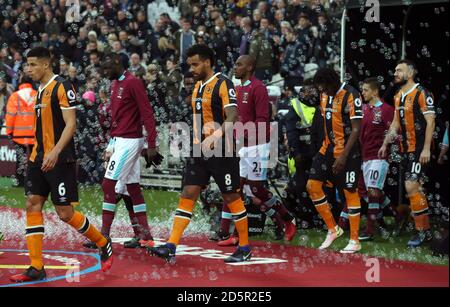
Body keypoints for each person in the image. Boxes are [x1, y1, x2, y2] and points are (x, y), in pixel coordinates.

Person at [9, 47, 113, 283]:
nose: (29, 69)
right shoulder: (40, 90)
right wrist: (37, 154)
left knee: (65, 213)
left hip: (60, 159)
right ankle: (36, 266)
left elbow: (70, 124)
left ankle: (102, 242)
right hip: (39, 157)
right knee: (32, 204)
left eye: (33, 64)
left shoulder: (62, 86)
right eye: (28, 64)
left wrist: (55, 151)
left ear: (46, 65)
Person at [148, 44, 252, 263]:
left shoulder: (223, 83)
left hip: (222, 149)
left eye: (195, 64)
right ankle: (171, 245)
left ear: (207, 62)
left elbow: (232, 116)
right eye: (190, 65)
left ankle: (244, 247)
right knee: (188, 193)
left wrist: (215, 137)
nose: (192, 69)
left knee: (231, 196)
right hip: (199, 151)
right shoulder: (197, 87)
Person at [96, 53, 162, 249]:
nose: (105, 72)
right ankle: (144, 236)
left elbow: (147, 112)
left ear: (117, 63)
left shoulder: (133, 83)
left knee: (108, 186)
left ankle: (102, 237)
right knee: (131, 188)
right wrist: (111, 143)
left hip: (129, 142)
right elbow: (119, 119)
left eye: (107, 67)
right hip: (120, 140)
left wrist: (151, 144)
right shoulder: (115, 83)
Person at [232, 54, 296, 243]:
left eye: (239, 64)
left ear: (250, 67)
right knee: (237, 189)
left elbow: (262, 118)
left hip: (258, 144)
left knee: (256, 189)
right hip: (243, 144)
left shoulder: (258, 87)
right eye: (235, 64)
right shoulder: (237, 88)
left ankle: (287, 219)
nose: (235, 67)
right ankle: (238, 234)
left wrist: (246, 137)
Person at [378, 59, 436, 248]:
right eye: (395, 70)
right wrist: (386, 143)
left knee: (411, 186)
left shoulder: (421, 93)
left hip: (419, 149)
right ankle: (422, 227)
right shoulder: (398, 95)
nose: (395, 73)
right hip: (405, 150)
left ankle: (423, 232)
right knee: (415, 189)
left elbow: (431, 122)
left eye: (399, 70)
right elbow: (395, 123)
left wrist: (427, 148)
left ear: (410, 73)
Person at [306, 68, 363, 253]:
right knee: (312, 186)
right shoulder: (324, 94)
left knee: (350, 192)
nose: (324, 91)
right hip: (327, 148)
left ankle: (355, 240)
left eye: (326, 87)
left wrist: (343, 156)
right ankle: (333, 229)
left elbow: (356, 129)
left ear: (334, 81)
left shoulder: (351, 95)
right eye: (321, 88)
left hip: (348, 151)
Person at [358, 77, 395, 241]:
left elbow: (394, 132)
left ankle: (370, 230)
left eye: (366, 90)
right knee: (364, 191)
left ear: (375, 91)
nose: (363, 92)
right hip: (365, 157)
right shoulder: (364, 108)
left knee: (373, 190)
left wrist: (390, 150)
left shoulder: (387, 110)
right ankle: (395, 214)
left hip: (379, 157)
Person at [285, 78, 324, 229]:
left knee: (319, 187)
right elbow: (291, 132)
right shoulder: (296, 105)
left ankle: (319, 217)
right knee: (301, 187)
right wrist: (297, 153)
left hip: (318, 152)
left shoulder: (322, 103)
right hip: (302, 153)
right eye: (307, 89)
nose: (310, 92)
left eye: (312, 89)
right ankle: (305, 218)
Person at [5, 73, 36, 187]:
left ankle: (20, 181)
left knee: (20, 158)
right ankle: (34, 180)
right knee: (35, 158)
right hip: (34, 133)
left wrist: (9, 131)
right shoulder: (37, 95)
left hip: (18, 134)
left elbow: (10, 116)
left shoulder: (15, 96)